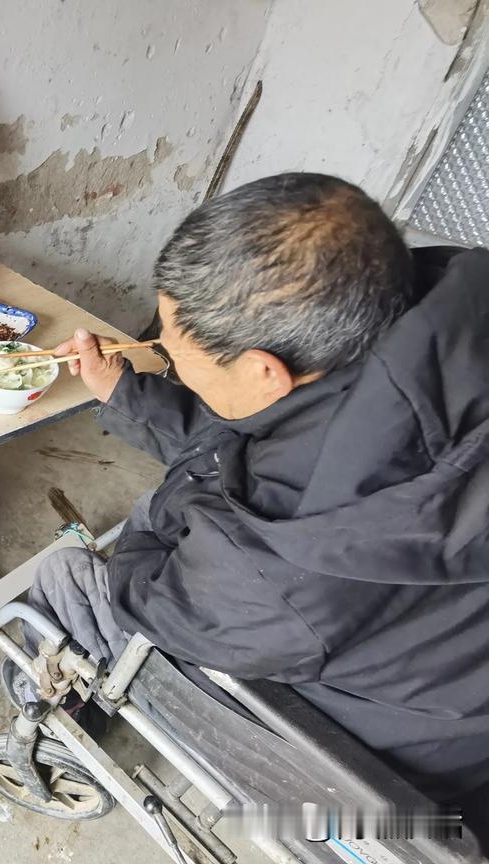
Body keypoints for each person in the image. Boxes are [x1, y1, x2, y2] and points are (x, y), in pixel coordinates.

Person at [27, 173, 489, 832]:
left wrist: (156, 521)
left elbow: (159, 594)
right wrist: (126, 395)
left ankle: (52, 723)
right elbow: (272, 427)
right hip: (452, 680)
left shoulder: (281, 563)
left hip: (384, 758)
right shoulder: (428, 313)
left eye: (178, 355)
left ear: (266, 371)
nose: (168, 357)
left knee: (65, 579)